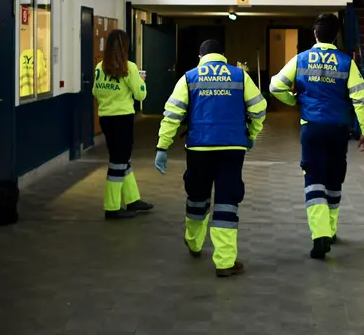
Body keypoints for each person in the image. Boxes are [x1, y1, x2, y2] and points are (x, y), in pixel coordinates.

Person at [154, 39, 266, 278]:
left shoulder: (190, 77)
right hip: (232, 148)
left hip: (199, 147)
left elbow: (172, 114)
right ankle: (225, 262)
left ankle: (194, 243)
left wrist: (162, 146)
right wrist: (252, 135)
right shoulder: (240, 76)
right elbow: (258, 108)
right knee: (227, 200)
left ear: (200, 56)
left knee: (197, 195)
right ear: (223, 56)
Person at [269, 14, 364, 260]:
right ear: (335, 36)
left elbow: (275, 86)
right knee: (334, 179)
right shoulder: (347, 63)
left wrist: (294, 100)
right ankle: (331, 230)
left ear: (315, 34)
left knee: (314, 180)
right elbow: (361, 98)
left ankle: (319, 235)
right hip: (338, 129)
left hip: (312, 128)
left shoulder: (301, 59)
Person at [93, 29, 154, 220]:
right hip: (123, 119)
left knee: (122, 159)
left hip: (106, 119)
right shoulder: (129, 68)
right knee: (118, 162)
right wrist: (142, 82)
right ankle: (111, 207)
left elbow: (95, 91)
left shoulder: (99, 68)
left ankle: (132, 199)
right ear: (125, 47)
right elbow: (140, 95)